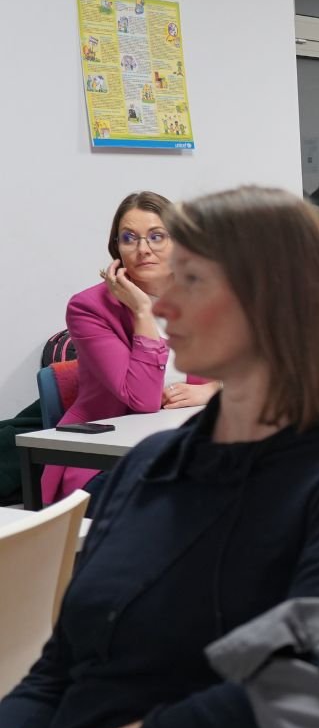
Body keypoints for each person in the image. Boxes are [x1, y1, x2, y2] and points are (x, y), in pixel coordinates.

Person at [0, 186, 319, 728]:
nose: (161, 303)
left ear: (272, 300)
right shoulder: (147, 466)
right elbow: (63, 665)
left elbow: (282, 699)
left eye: (190, 280)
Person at [42, 192, 217, 505]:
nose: (143, 249)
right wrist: (142, 312)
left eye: (157, 236)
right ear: (117, 249)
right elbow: (142, 399)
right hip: (103, 464)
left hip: (187, 447)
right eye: (129, 238)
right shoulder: (89, 308)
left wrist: (214, 390)